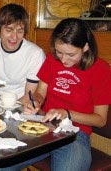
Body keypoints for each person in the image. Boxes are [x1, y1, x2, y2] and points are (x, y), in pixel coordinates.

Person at [22, 18, 111, 171]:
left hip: (75, 136)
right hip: (43, 126)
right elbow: (40, 93)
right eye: (59, 52)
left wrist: (67, 114)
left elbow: (101, 120)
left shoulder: (100, 69)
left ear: (85, 47)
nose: (63, 59)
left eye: (70, 54)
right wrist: (35, 101)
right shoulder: (52, 59)